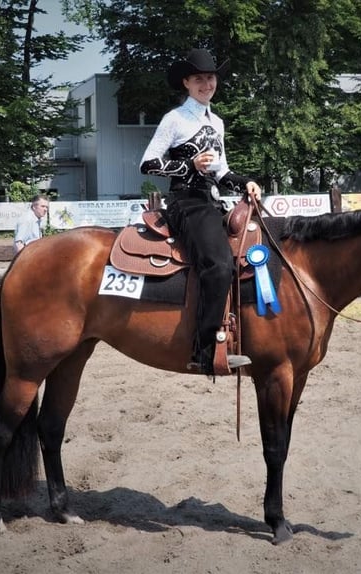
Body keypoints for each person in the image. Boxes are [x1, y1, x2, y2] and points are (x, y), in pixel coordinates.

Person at [140, 48, 262, 375]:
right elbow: (147, 163)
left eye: (210, 77)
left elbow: (221, 173)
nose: (206, 84)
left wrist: (246, 181)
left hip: (211, 201)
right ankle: (205, 349)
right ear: (186, 83)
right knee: (220, 265)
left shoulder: (217, 122)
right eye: (198, 79)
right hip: (185, 202)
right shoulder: (175, 119)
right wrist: (187, 166)